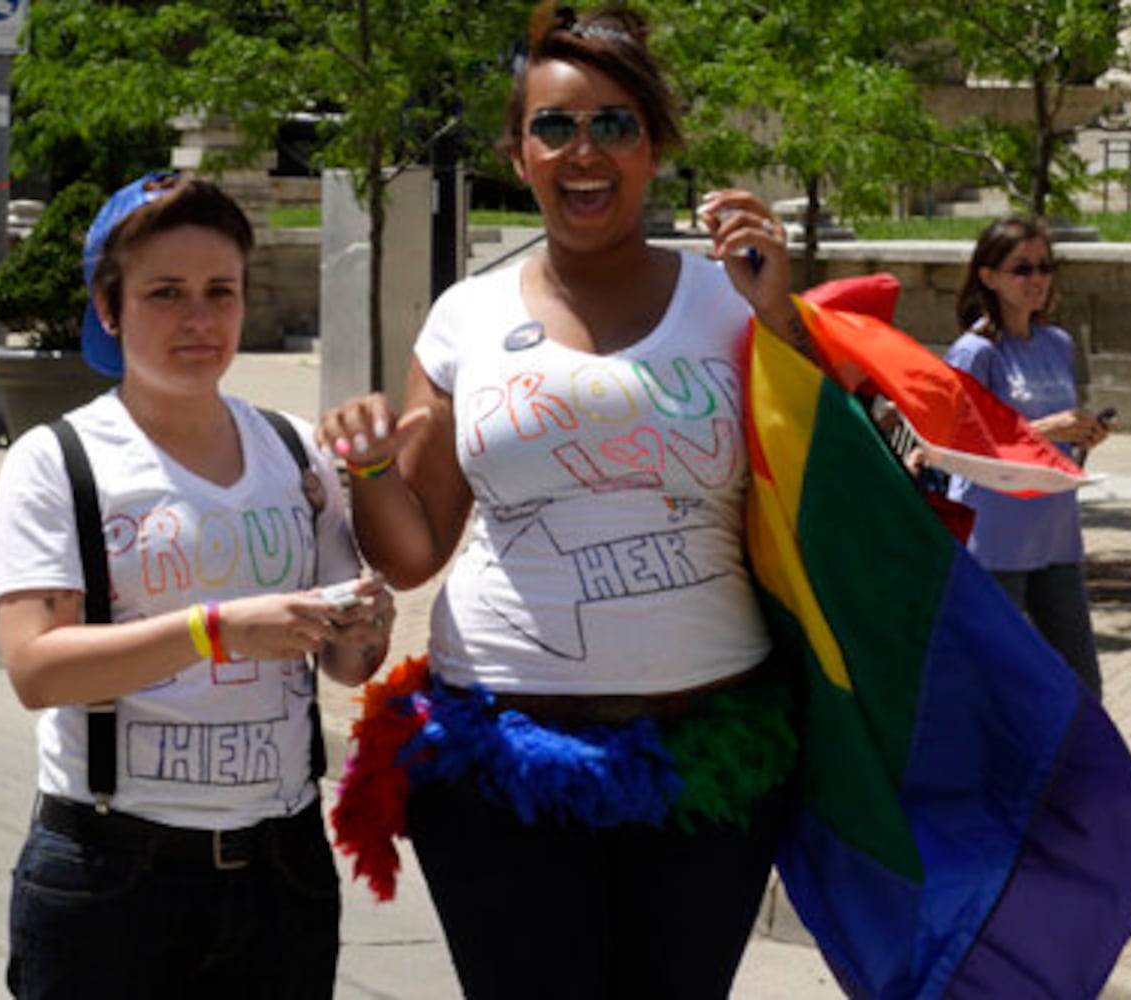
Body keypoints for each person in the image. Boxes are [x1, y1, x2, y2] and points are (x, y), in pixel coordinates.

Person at [318, 4, 814, 998]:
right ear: (517, 151)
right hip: (497, 755)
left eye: (614, 125)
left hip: (705, 757)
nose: (583, 151)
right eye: (554, 126)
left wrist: (782, 320)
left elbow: (823, 489)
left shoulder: (734, 302)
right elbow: (416, 552)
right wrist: (371, 470)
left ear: (655, 148)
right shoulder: (466, 314)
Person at [0, 172, 394, 998]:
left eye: (221, 291)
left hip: (281, 866)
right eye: (165, 293)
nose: (199, 319)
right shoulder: (58, 461)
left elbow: (349, 670)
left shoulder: (290, 451)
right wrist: (215, 630)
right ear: (110, 309)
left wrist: (362, 624)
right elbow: (37, 669)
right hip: (112, 874)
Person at [945, 215, 1112, 699]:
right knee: (1000, 686)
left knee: (1082, 685)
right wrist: (1045, 430)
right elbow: (958, 447)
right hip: (995, 541)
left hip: (1056, 534)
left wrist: (1085, 434)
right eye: (1022, 269)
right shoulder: (975, 352)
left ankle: (1072, 776)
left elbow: (1057, 440)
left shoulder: (1057, 344)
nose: (1037, 279)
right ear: (988, 277)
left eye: (1045, 267)